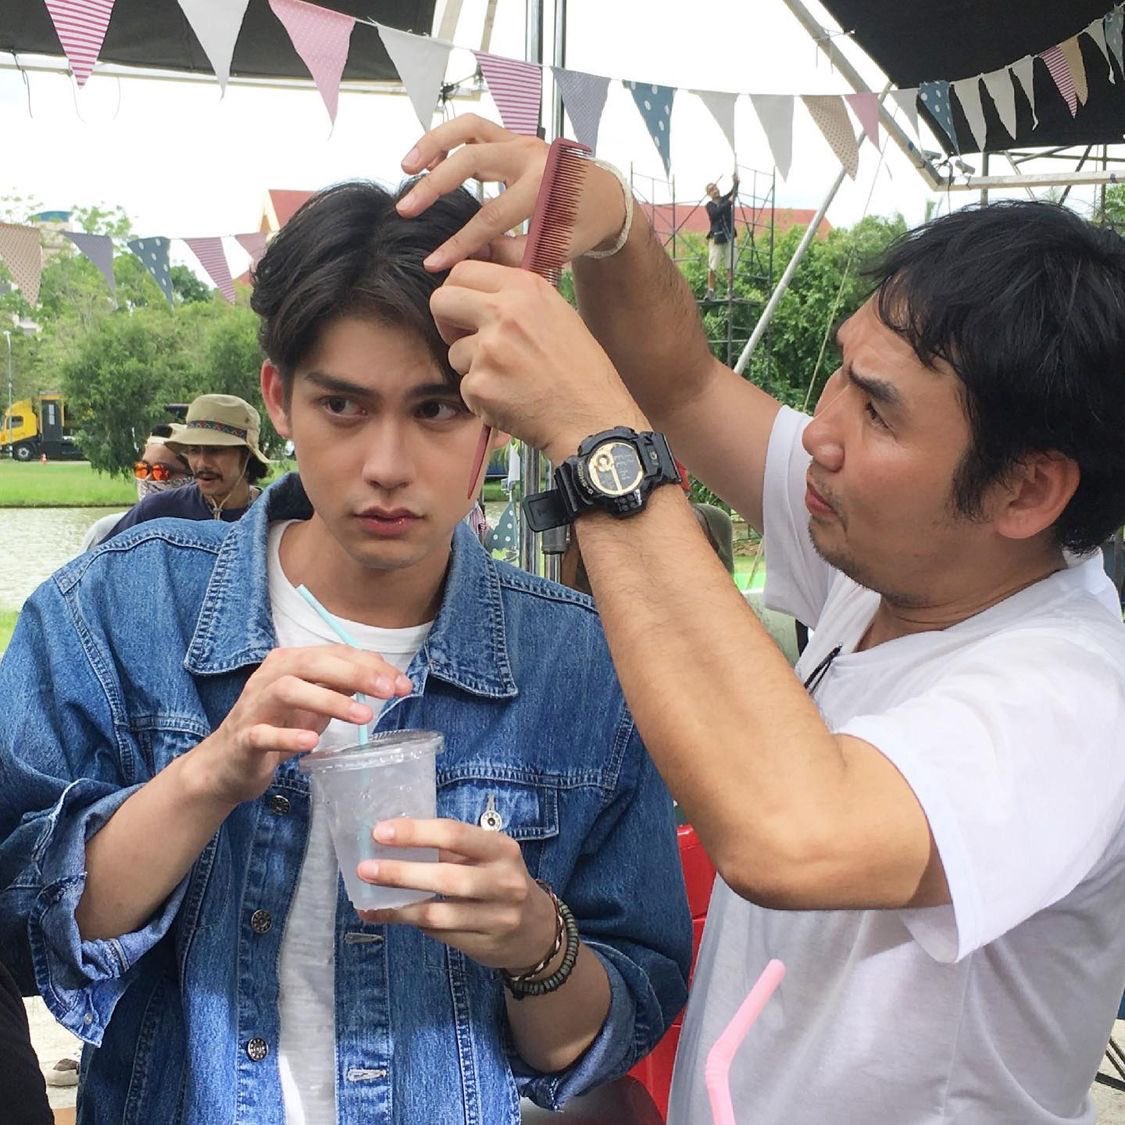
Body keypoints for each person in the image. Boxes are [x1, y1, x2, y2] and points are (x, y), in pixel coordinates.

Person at [395, 115, 1125, 1124]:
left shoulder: (1074, 700)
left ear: (1025, 491)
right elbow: (682, 382)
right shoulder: (897, 556)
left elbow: (792, 835)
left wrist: (595, 443)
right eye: (843, 370)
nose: (821, 429)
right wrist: (614, 229)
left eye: (878, 410)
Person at [0, 178, 690, 1123]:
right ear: (279, 398)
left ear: (491, 417)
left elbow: (607, 1034)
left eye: (437, 409)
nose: (387, 465)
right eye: (343, 406)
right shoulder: (117, 608)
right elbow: (25, 933)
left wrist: (537, 942)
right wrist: (208, 775)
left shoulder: (580, 665)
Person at [103, 393, 271, 539]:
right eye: (194, 450)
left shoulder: (273, 515)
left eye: (215, 450)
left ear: (247, 455)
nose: (202, 463)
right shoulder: (155, 511)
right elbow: (98, 562)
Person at [79, 423, 192, 551]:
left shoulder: (204, 537)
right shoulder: (105, 531)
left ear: (193, 477)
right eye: (142, 469)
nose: (148, 479)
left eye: (161, 472)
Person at [703, 172, 738, 299]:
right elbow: (716, 213)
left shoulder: (724, 199)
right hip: (716, 237)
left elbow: (734, 192)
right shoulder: (709, 206)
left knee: (730, 264)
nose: (715, 190)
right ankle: (711, 291)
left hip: (729, 236)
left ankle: (730, 290)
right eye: (711, 190)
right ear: (709, 194)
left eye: (715, 188)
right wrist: (729, 202)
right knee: (713, 265)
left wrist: (736, 182)